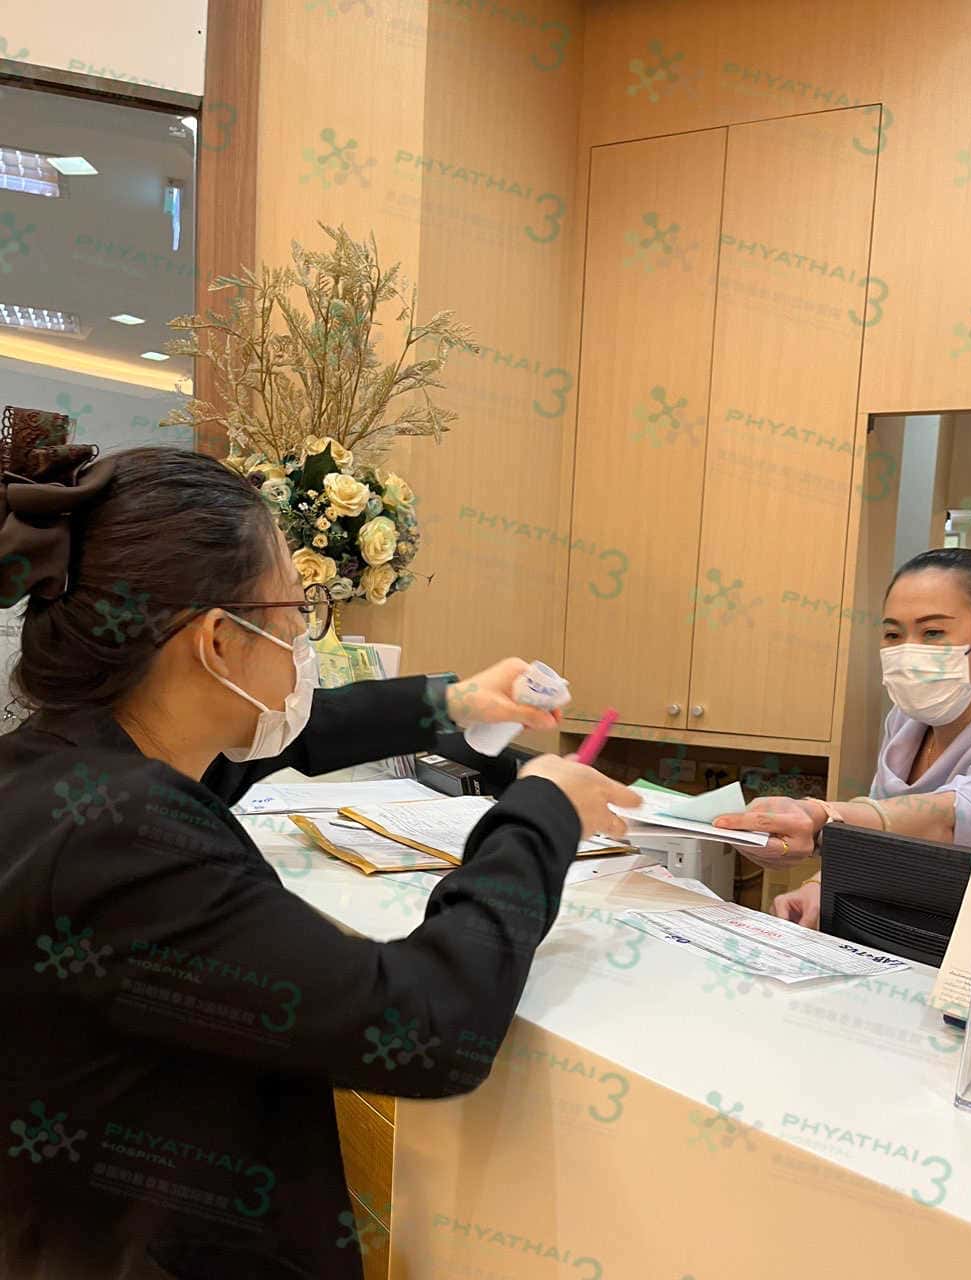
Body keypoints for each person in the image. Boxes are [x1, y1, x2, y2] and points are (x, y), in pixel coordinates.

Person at [0, 444, 640, 1280]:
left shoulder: (57, 771)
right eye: (296, 611)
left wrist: (449, 702)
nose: (304, 637)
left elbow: (265, 744)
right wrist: (538, 816)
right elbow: (426, 1026)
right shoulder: (125, 836)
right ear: (218, 642)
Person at [714, 548, 971, 930]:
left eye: (933, 632)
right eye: (893, 634)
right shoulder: (905, 726)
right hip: (890, 933)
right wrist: (818, 886)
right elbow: (880, 831)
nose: (908, 650)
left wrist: (825, 816)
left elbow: (958, 818)